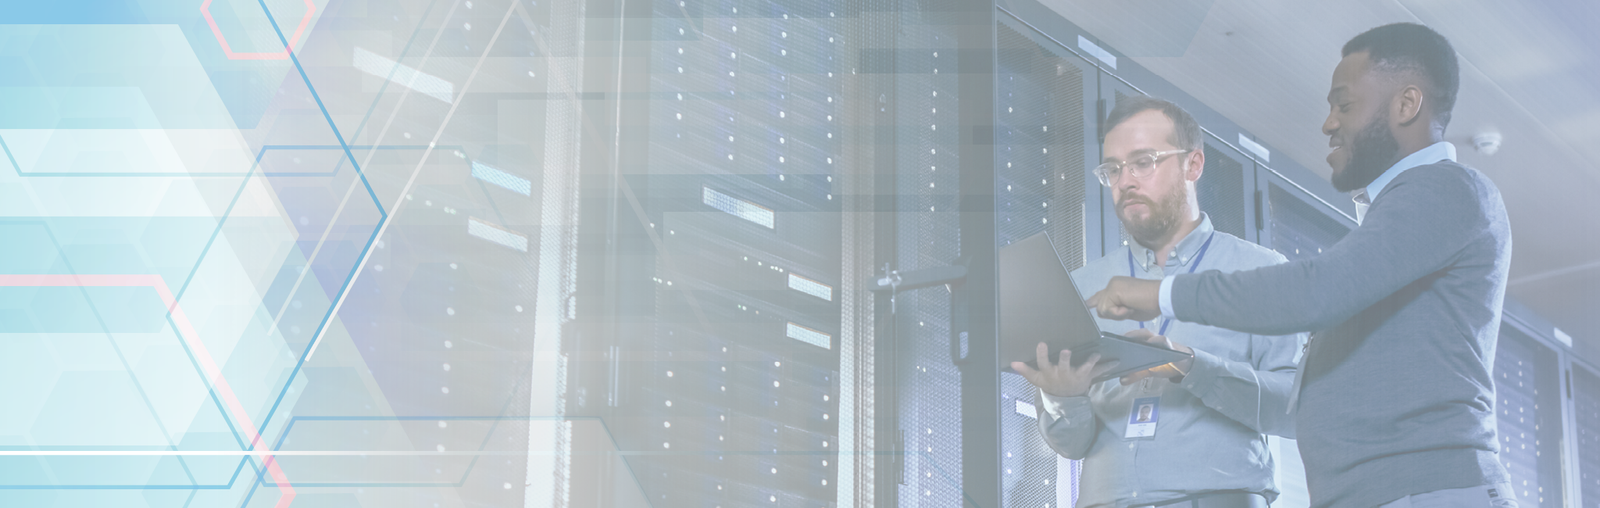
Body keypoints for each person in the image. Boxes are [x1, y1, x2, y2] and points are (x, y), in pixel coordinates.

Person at [1087, 23, 1516, 508]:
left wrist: (1159, 293)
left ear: (1406, 104)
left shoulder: (1446, 190)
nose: (1328, 123)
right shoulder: (1396, 221)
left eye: (1345, 104)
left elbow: (1314, 293)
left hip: (1427, 490)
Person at [1011, 95, 1304, 508]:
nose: (1125, 180)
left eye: (1143, 162)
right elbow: (1073, 445)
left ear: (1193, 165)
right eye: (1113, 169)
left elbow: (1294, 412)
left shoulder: (1262, 273)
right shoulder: (1082, 287)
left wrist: (1190, 366)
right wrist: (1064, 396)